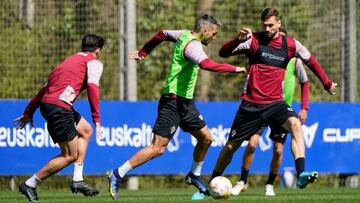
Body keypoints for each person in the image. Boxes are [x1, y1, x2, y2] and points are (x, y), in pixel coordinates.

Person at [192, 7, 337, 200]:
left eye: (271, 25)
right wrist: (238, 39)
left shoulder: (292, 45)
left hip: (276, 103)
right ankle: (211, 184)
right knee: (231, 147)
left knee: (295, 124)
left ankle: (301, 173)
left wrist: (327, 83)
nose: (267, 29)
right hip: (250, 105)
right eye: (264, 25)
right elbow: (223, 52)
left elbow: (312, 62)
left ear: (279, 23)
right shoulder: (254, 40)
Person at [106, 14, 246, 200]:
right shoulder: (193, 45)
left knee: (206, 138)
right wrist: (234, 68)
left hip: (185, 103)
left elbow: (162, 34)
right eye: (213, 34)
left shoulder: (184, 34)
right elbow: (206, 64)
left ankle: (194, 175)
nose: (214, 38)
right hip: (172, 102)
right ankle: (117, 174)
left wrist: (144, 52)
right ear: (204, 30)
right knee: (157, 148)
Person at [14, 34, 105, 202]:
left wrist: (29, 112)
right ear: (98, 51)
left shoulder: (68, 61)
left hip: (51, 105)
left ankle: (78, 179)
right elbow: (93, 88)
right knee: (70, 155)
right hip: (59, 107)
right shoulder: (94, 62)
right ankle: (30, 184)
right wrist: (97, 118)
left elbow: (43, 91)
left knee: (85, 130)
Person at [231, 29, 311, 197]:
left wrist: (304, 107)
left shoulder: (295, 61)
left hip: (280, 110)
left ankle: (269, 184)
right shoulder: (263, 54)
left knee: (278, 150)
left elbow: (305, 82)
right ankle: (243, 180)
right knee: (252, 144)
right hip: (260, 105)